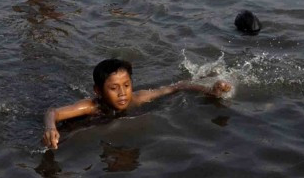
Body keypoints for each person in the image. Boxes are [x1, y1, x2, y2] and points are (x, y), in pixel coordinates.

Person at [42, 58, 231, 149]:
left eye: (126, 85)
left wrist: (209, 90)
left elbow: (177, 87)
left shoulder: (137, 98)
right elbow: (53, 112)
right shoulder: (91, 106)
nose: (123, 93)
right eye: (114, 88)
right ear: (98, 91)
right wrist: (51, 127)